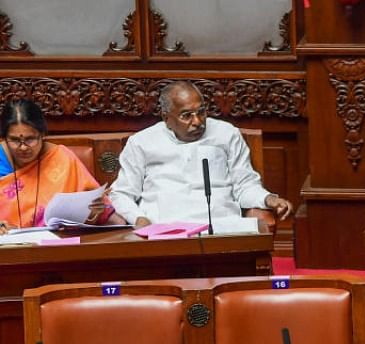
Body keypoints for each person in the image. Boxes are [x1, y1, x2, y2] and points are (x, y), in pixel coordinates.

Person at [109, 80, 293, 227]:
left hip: (222, 226)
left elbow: (244, 186)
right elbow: (122, 194)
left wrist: (269, 199)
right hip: (165, 229)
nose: (197, 121)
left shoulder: (226, 134)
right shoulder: (142, 142)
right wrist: (139, 219)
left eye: (201, 112)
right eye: (186, 115)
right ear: (166, 118)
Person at [0, 99, 112, 233]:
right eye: (15, 140)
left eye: (30, 139)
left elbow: (95, 216)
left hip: (58, 243)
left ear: (42, 134)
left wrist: (94, 212)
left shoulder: (62, 158)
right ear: (4, 138)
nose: (23, 147)